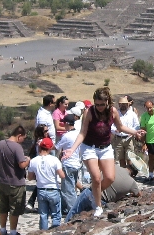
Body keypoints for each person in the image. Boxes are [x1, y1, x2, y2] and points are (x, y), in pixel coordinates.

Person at [61, 87, 143, 219]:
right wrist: (72, 149)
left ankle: (92, 193)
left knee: (110, 178)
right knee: (96, 178)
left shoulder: (113, 112)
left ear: (108, 102)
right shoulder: (89, 112)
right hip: (89, 147)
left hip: (105, 148)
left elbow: (120, 127)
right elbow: (83, 132)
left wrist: (135, 132)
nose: (99, 107)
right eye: (97, 104)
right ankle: (98, 206)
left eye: (102, 104)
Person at [65, 165, 140, 223]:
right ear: (134, 175)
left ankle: (65, 224)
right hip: (102, 202)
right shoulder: (132, 182)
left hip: (91, 192)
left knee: (73, 212)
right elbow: (138, 194)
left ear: (126, 166)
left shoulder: (113, 166)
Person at [0, 125, 30, 235]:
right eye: (23, 138)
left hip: (2, 181)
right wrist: (28, 160)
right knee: (14, 208)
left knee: (3, 206)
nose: (23, 141)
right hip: (15, 182)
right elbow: (22, 165)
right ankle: (13, 232)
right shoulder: (17, 147)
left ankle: (3, 229)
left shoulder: (1, 143)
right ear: (19, 136)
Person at [28, 137, 65, 230]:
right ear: (50, 148)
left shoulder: (33, 161)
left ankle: (43, 233)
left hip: (41, 189)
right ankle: (55, 231)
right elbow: (62, 175)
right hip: (53, 188)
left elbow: (30, 177)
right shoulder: (54, 160)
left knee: (43, 215)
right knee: (56, 214)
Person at [55, 114, 82, 215]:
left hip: (68, 163)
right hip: (77, 163)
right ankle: (66, 209)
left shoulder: (66, 136)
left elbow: (57, 147)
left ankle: (73, 211)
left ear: (66, 124)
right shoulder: (78, 134)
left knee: (68, 190)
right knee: (72, 187)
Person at [25, 124, 51, 212]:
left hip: (39, 165)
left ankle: (31, 202)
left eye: (48, 130)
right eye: (45, 131)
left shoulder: (38, 141)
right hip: (41, 165)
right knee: (41, 185)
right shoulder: (42, 142)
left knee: (39, 184)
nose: (48, 132)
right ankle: (33, 203)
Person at [111, 96, 140, 168]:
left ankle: (130, 174)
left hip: (129, 138)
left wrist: (132, 132)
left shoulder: (132, 114)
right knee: (121, 158)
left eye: (125, 104)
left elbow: (137, 125)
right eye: (122, 104)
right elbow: (111, 125)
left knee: (130, 157)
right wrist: (115, 130)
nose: (123, 105)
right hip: (118, 138)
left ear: (128, 104)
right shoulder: (115, 113)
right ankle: (124, 174)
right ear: (119, 104)